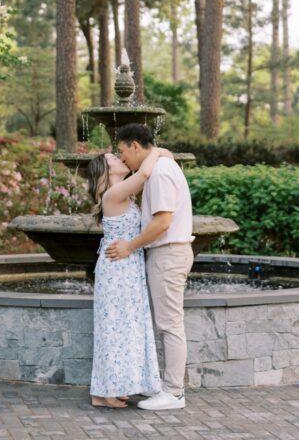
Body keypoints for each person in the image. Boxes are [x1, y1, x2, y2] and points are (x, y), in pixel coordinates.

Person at [106, 123, 194, 411]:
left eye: (122, 152)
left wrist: (130, 245)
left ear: (135, 145)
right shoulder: (160, 167)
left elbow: (163, 221)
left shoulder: (159, 173)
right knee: (169, 324)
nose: (123, 160)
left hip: (168, 254)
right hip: (168, 254)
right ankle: (170, 390)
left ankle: (174, 393)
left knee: (170, 325)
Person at [87, 148, 168, 408]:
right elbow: (144, 172)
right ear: (107, 171)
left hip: (124, 267)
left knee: (119, 327)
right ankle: (109, 391)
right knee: (116, 329)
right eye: (113, 158)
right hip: (118, 269)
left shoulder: (124, 195)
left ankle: (103, 391)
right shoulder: (114, 194)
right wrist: (157, 151)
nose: (119, 158)